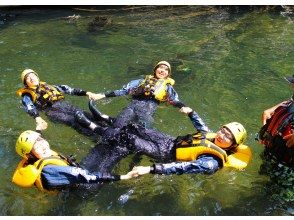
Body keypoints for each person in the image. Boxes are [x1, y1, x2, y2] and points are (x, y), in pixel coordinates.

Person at [76, 108, 251, 175]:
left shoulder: (211, 162)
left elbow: (181, 167)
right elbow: (202, 127)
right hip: (169, 141)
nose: (222, 135)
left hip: (165, 154)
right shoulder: (212, 137)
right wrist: (191, 112)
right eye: (223, 130)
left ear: (234, 145)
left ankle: (93, 126)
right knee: (135, 127)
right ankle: (106, 118)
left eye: (228, 137)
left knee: (128, 138)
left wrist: (150, 168)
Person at [12, 130, 134, 192]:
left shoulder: (40, 159)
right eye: (36, 147)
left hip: (77, 175)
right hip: (83, 188)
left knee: (103, 147)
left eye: (41, 140)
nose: (43, 145)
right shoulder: (48, 170)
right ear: (30, 155)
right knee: (116, 153)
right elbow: (84, 176)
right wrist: (123, 177)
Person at [89, 61, 190, 128]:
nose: (162, 70)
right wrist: (101, 95)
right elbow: (123, 91)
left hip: (147, 112)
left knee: (143, 132)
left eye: (166, 69)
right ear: (155, 70)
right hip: (132, 107)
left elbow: (174, 100)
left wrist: (184, 107)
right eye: (160, 67)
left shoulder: (167, 87)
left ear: (168, 74)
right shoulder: (141, 81)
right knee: (118, 126)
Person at [16, 69, 101, 135]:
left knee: (83, 114)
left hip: (64, 105)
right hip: (52, 112)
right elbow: (29, 106)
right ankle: (96, 137)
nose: (31, 78)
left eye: (33, 75)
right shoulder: (27, 95)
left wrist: (87, 93)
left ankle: (104, 126)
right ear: (26, 83)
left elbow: (69, 90)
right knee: (74, 121)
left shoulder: (49, 87)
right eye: (28, 78)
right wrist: (37, 118)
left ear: (37, 77)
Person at [258, 75, 294, 167]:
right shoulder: (290, 103)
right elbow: (267, 113)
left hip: (288, 166)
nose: (291, 86)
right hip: (272, 151)